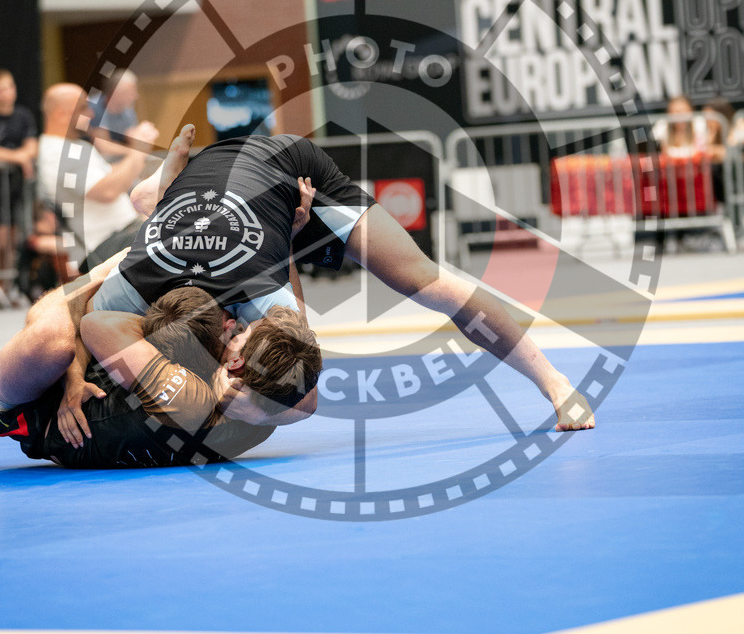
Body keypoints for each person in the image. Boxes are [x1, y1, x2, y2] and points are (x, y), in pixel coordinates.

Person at [97, 125, 594, 432]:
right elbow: (86, 319)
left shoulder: (242, 290)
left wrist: (244, 407)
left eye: (228, 357)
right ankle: (159, 195)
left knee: (421, 279)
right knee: (146, 213)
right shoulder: (140, 278)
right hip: (210, 179)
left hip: (292, 169)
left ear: (226, 327)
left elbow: (305, 378)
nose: (232, 359)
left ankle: (554, 381)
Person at [0, 281, 315, 469]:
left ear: (237, 364)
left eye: (240, 333)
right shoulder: (276, 407)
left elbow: (94, 324)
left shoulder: (191, 400)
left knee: (59, 337)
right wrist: (285, 240)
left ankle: (108, 263)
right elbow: (304, 369)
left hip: (32, 409)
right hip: (97, 386)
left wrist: (185, 327)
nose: (235, 326)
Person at [37, 83, 159, 267]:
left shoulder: (76, 146)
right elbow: (107, 191)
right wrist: (139, 149)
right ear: (61, 114)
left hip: (123, 233)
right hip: (103, 246)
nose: (91, 114)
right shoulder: (55, 152)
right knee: (179, 236)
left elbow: (114, 177)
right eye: (83, 108)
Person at [0, 69, 39, 289]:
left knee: (15, 239)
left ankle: (5, 287)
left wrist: (25, 156)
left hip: (17, 187)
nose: (5, 93)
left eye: (8, 87)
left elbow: (32, 147)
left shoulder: (23, 115)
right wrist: (19, 158)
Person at [90, 69, 141, 160]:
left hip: (116, 159)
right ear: (115, 92)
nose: (135, 96)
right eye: (130, 92)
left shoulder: (127, 109)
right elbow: (104, 148)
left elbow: (135, 140)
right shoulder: (94, 108)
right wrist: (135, 152)